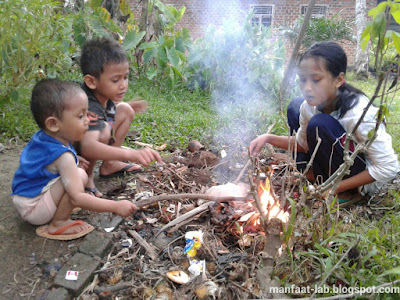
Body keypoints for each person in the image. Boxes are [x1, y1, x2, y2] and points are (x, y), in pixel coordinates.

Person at [11, 79, 161, 240]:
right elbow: (77, 197)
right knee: (80, 176)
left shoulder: (46, 137)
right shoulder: (64, 157)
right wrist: (116, 206)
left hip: (23, 197)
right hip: (34, 209)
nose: (88, 121)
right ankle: (58, 223)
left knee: (76, 173)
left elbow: (47, 164)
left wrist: (74, 159)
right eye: (81, 116)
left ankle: (58, 209)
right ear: (54, 124)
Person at [249, 41, 398, 201]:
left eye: (316, 80)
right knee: (295, 106)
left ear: (339, 80)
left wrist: (334, 187)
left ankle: (348, 192)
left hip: (360, 175)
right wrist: (268, 138)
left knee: (320, 123)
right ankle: (315, 175)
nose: (307, 87)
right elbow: (302, 144)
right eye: (302, 79)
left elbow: (388, 167)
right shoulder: (309, 107)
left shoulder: (358, 113)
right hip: (333, 163)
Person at [78, 37, 150, 197]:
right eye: (116, 80)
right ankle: (87, 177)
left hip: (90, 137)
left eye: (125, 77)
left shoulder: (102, 93)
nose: (123, 85)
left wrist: (129, 105)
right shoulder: (88, 104)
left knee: (125, 110)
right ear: (91, 81)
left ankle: (109, 164)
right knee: (102, 130)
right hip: (73, 156)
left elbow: (106, 112)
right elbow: (87, 146)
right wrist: (130, 154)